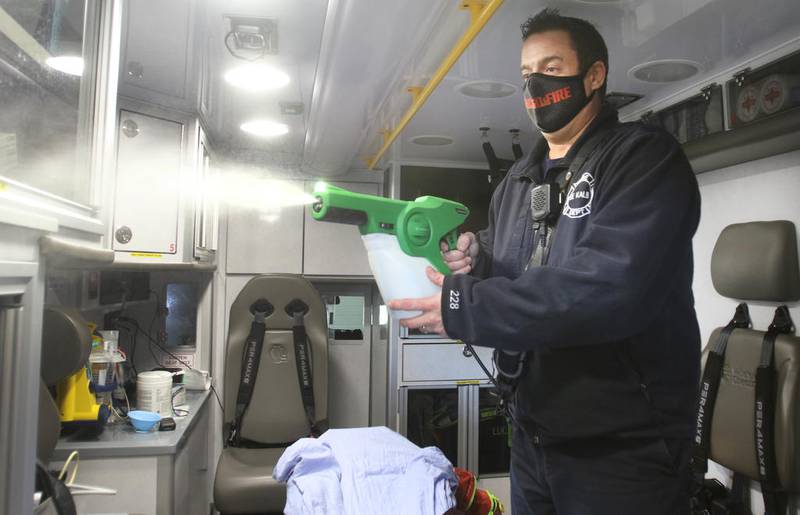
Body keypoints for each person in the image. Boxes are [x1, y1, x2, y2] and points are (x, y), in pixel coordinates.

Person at [387, 8, 701, 515]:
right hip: (532, 440)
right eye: (527, 74)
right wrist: (478, 261)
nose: (535, 85)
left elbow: (607, 290)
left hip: (624, 454)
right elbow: (521, 269)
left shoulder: (644, 161)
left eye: (552, 69)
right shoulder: (517, 182)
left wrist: (463, 305)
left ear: (594, 75)